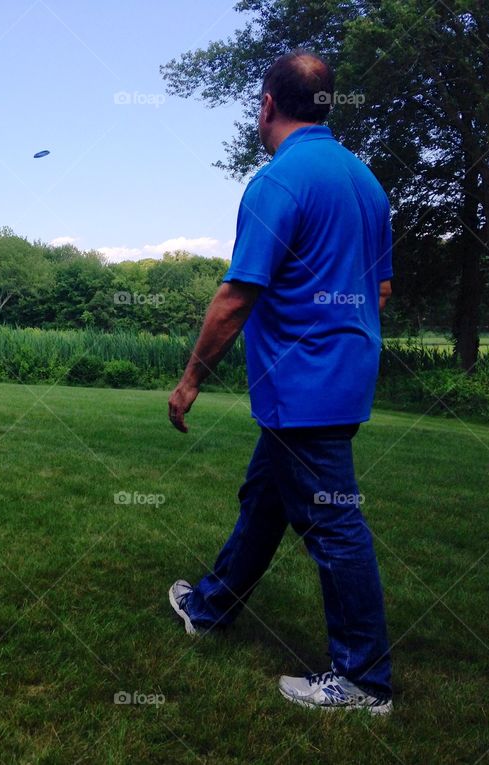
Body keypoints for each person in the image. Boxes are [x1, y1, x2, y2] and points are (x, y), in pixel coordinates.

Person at [166, 49, 394, 715]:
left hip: (304, 385)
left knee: (334, 525)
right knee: (265, 499)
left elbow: (236, 296)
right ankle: (209, 608)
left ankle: (363, 679)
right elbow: (377, 289)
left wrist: (189, 380)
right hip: (342, 378)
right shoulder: (367, 183)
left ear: (266, 104)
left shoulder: (279, 182)